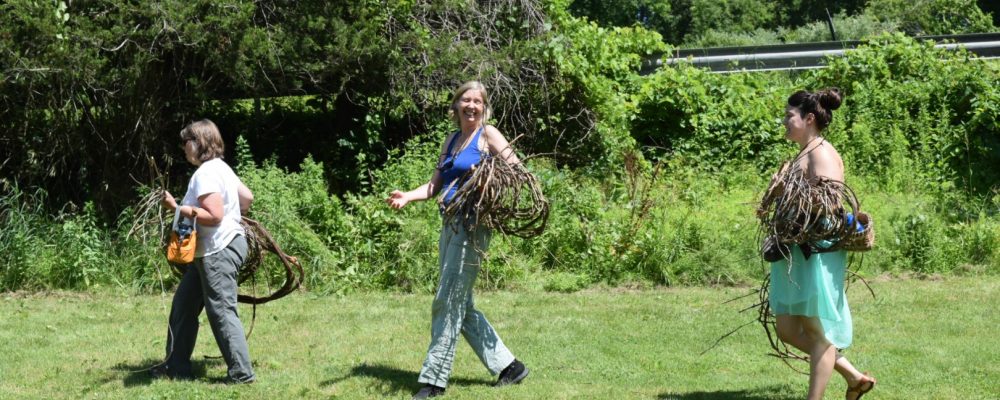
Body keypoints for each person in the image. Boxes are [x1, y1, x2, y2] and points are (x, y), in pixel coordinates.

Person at [386, 81, 528, 399]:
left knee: (447, 299)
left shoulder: (488, 136)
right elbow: (435, 185)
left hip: (473, 225)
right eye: (466, 100)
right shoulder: (451, 140)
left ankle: (434, 380)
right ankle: (509, 367)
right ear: (456, 106)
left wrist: (486, 178)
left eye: (477, 101)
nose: (471, 106)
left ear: (484, 107)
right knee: (460, 303)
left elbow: (517, 172)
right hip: (449, 224)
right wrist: (408, 196)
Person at [770, 89, 876, 400]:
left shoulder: (822, 153)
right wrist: (775, 196)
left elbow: (831, 204)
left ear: (809, 118)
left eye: (790, 116)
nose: (785, 121)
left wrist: (786, 195)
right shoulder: (802, 153)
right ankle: (855, 378)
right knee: (787, 329)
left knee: (818, 335)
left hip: (816, 251)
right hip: (796, 251)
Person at [155, 119, 256, 383]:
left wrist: (176, 208)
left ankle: (241, 374)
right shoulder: (221, 168)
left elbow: (213, 216)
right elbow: (247, 199)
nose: (183, 147)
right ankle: (175, 367)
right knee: (183, 307)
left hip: (217, 251)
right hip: (214, 250)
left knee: (221, 311)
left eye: (186, 141)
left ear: (198, 142)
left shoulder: (206, 174)